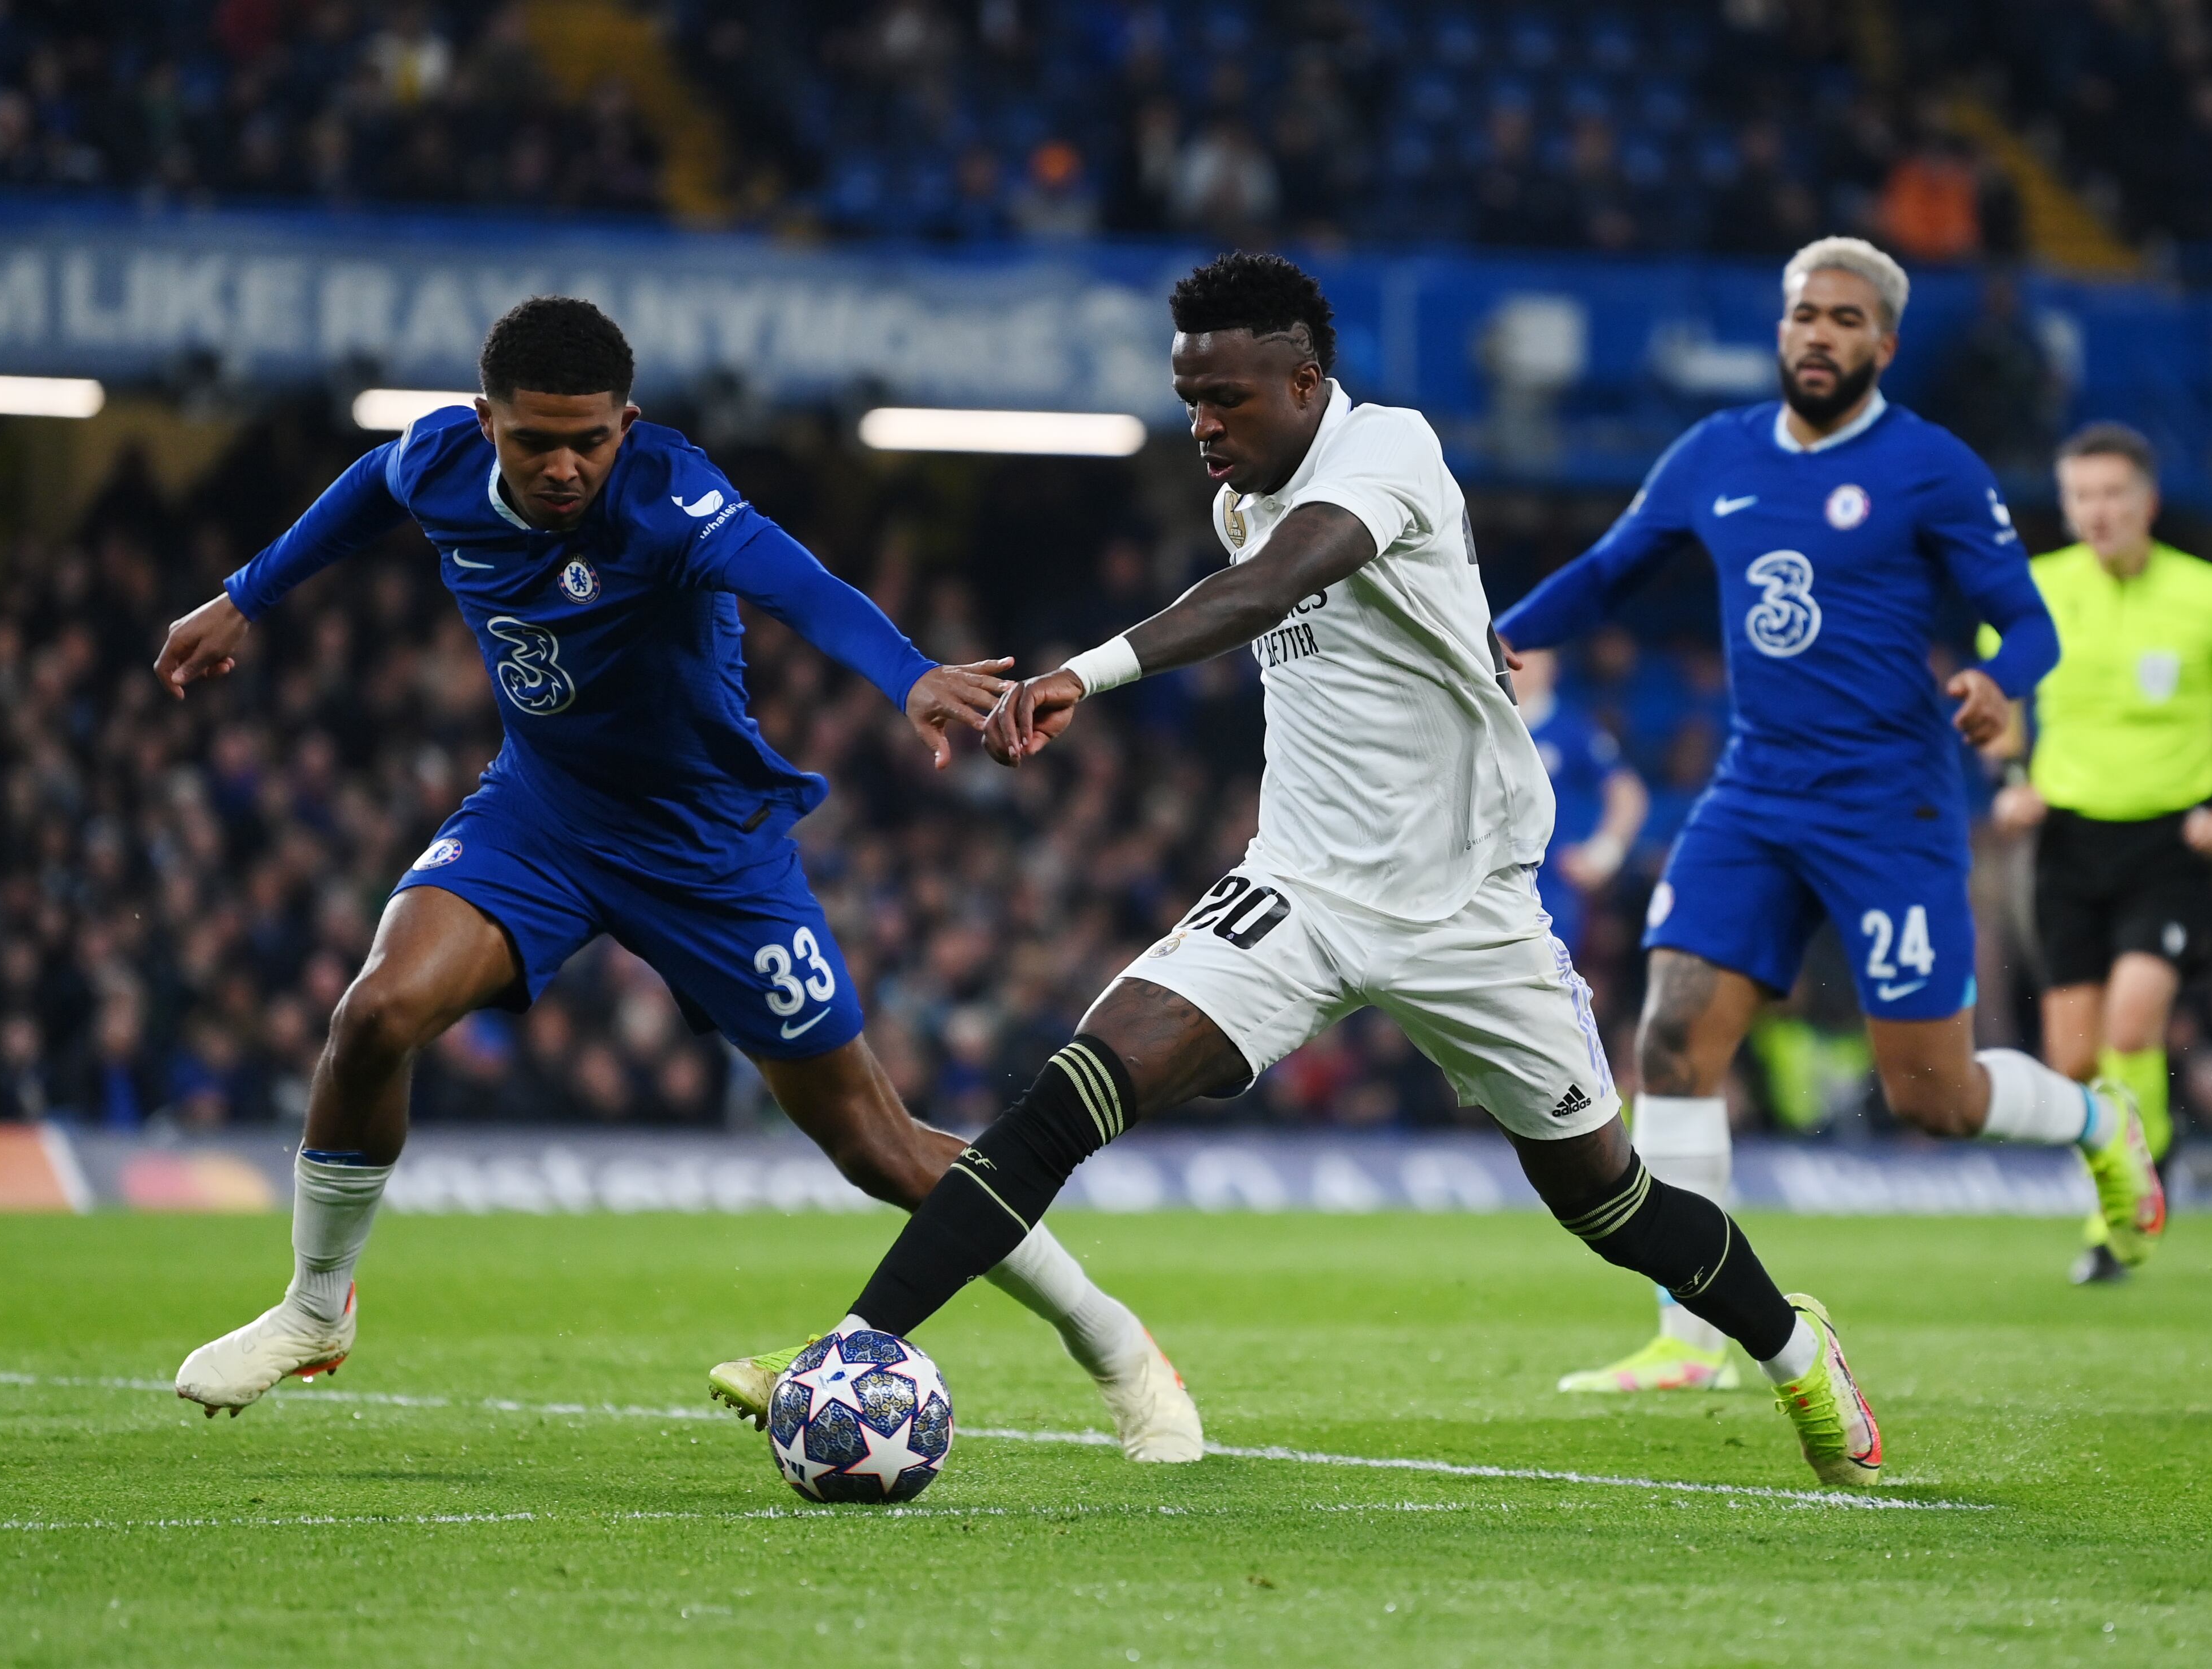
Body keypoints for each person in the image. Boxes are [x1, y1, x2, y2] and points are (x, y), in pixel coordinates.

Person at [719, 252, 1887, 1491]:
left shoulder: (1389, 451)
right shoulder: (1243, 497)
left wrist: (1083, 672)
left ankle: (1794, 1343)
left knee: (1608, 1206)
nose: (1204, 428)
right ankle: (855, 1343)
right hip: (1304, 890)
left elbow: (1270, 587)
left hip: (1467, 907)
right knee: (1073, 1090)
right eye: (1188, 402)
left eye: (1227, 399)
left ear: (1305, 381)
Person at [156, 297, 1203, 1463]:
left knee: (878, 1143)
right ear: (482, 422)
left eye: (589, 440)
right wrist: (244, 593)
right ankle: (315, 1305)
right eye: (533, 440)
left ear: (628, 423)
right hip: (541, 816)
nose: (563, 467)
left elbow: (795, 581)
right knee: (375, 1013)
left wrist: (906, 674)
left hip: (709, 849)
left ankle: (1115, 1347)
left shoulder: (670, 494)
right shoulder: (436, 457)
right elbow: (370, 486)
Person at [1500, 237, 2165, 1398]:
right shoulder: (1714, 454)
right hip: (1755, 793)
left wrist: (2000, 678)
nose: (1822, 335)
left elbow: (2032, 622)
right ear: (1781, 332)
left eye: (1848, 320)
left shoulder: (1933, 468)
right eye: (1806, 315)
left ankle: (2098, 1121)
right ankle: (1691, 1338)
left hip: (1890, 806)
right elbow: (1608, 572)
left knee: (1933, 1096)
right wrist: (1500, 631)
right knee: (1670, 1040)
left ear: (1885, 345)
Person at [1985, 421, 2212, 1283]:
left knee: (2132, 1025)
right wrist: (2011, 772)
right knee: (2074, 1060)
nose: (2097, 512)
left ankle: (2124, 1207)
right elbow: (1998, 697)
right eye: (2081, 496)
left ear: (2146, 503)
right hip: (2066, 840)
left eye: (2112, 495)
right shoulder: (2033, 592)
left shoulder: (2207, 599)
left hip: (2168, 842)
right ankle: (2126, 1173)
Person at [1506, 645, 1647, 965]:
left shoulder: (1570, 728)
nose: (1515, 663)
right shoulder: (1481, 722)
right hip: (1483, 882)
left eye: (1528, 655)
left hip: (1548, 888)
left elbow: (1627, 792)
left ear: (1550, 667)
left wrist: (1602, 854)